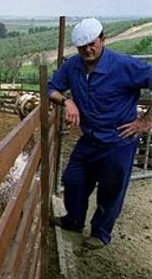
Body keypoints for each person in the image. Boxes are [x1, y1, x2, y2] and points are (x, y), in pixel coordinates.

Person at [48, 18, 152, 249]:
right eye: (82, 46)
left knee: (111, 188)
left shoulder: (123, 65)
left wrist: (145, 121)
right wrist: (67, 102)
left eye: (92, 44)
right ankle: (74, 220)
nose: (88, 50)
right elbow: (50, 87)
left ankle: (100, 233)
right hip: (90, 138)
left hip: (119, 141)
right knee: (72, 179)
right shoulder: (73, 66)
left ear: (103, 40)